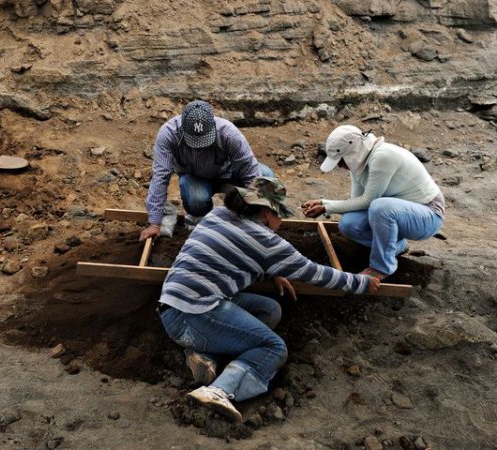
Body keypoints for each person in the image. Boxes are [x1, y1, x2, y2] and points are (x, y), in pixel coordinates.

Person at [157, 176, 380, 422]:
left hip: (173, 307)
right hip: (194, 315)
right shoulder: (267, 241)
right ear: (265, 212)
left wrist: (272, 272)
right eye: (279, 214)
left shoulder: (218, 215)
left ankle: (204, 356)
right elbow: (315, 273)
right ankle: (219, 390)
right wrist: (361, 283)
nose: (281, 221)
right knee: (273, 348)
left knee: (269, 309)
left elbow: (236, 255)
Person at [302, 125, 445, 280]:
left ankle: (381, 268)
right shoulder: (359, 166)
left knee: (380, 207)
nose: (340, 166)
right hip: (398, 213)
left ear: (352, 153)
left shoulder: (383, 156)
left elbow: (369, 201)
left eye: (340, 160)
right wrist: (323, 203)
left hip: (428, 215)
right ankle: (397, 247)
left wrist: (326, 207)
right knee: (348, 223)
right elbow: (356, 203)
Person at [140, 100, 273, 241]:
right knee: (196, 199)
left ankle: (244, 219)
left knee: (265, 177)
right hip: (196, 178)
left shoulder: (229, 133)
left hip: (229, 174)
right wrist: (154, 223)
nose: (199, 147)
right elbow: (160, 177)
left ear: (213, 126)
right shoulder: (168, 134)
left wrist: (258, 217)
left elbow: (250, 171)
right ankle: (204, 222)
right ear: (182, 129)